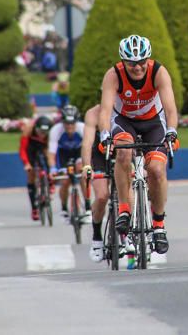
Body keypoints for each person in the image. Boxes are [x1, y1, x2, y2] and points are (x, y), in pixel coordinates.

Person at [98, 35, 179, 255]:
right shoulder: (113, 75)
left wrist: (172, 131)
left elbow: (170, 108)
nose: (138, 67)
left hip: (153, 121)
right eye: (132, 63)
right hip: (124, 121)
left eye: (142, 61)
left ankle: (159, 225)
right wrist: (105, 134)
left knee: (156, 169)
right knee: (124, 154)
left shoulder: (158, 72)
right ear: (123, 62)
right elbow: (105, 110)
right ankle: (124, 208)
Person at [47, 105, 88, 222]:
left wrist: (87, 165)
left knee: (82, 175)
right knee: (65, 181)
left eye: (72, 123)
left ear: (76, 121)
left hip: (79, 154)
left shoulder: (82, 128)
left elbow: (88, 149)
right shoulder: (56, 130)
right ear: (62, 122)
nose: (69, 126)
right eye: (66, 123)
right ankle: (64, 208)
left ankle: (88, 206)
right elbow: (51, 153)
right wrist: (53, 168)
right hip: (63, 156)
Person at [81, 105, 109, 262]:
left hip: (122, 151)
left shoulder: (127, 106)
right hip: (99, 154)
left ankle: (128, 234)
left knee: (129, 193)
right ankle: (97, 237)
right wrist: (86, 165)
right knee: (102, 196)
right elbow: (87, 143)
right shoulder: (93, 113)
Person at [19, 114, 54, 220]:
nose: (42, 135)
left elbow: (51, 149)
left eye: (44, 133)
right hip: (31, 146)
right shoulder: (28, 129)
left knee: (48, 160)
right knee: (31, 174)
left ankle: (50, 182)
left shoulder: (51, 131)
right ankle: (34, 208)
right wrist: (26, 163)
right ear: (36, 128)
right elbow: (22, 149)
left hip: (44, 146)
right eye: (40, 132)